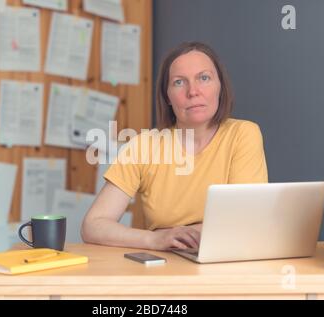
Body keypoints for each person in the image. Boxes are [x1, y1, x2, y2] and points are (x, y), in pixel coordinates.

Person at [81, 41, 268, 251]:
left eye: (204, 78)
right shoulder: (144, 146)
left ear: (220, 87)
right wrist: (155, 240)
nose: (193, 91)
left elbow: (246, 220)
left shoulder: (243, 134)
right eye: (179, 82)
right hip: (161, 266)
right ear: (167, 96)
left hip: (226, 263)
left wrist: (176, 235)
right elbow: (93, 225)